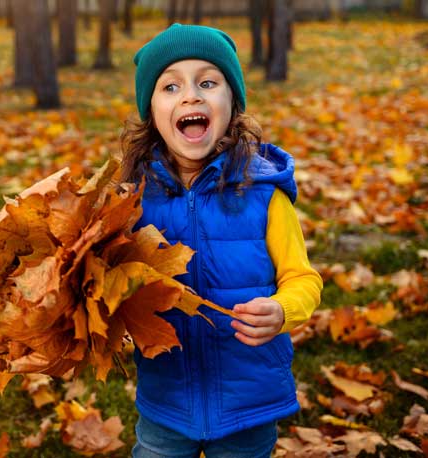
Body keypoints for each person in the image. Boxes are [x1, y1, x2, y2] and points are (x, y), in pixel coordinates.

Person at [120, 23, 323, 458]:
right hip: (166, 403)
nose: (191, 95)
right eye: (170, 86)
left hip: (248, 402)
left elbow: (303, 279)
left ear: (232, 103)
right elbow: (112, 281)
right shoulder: (132, 200)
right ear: (152, 112)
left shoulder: (265, 195)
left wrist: (283, 310)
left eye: (208, 82)